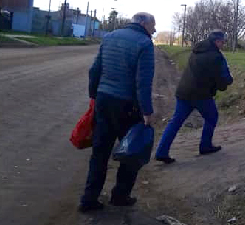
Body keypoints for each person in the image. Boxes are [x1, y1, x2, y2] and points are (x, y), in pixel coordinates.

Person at [79, 12, 156, 213]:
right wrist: (147, 111)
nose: (154, 30)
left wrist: (94, 95)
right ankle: (120, 196)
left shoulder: (110, 37)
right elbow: (143, 82)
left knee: (100, 152)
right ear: (143, 23)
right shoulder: (145, 44)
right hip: (127, 106)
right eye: (153, 26)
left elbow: (94, 70)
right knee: (132, 151)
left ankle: (89, 199)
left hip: (104, 100)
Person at [155, 30, 233, 163]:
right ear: (217, 41)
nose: (223, 44)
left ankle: (161, 151)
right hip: (201, 94)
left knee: (176, 121)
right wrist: (228, 82)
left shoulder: (196, 51)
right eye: (222, 41)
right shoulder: (216, 57)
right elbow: (222, 79)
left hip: (183, 91)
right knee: (212, 117)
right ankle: (205, 146)